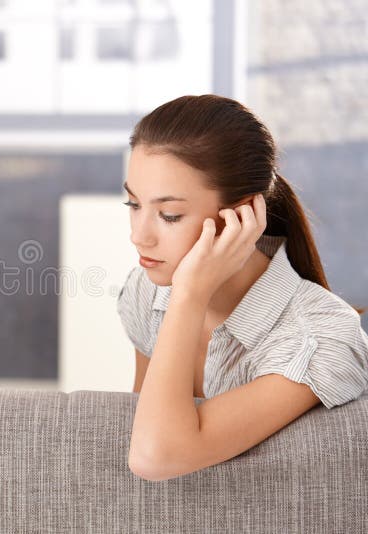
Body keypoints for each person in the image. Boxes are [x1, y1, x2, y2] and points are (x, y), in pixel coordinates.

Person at [117, 94, 368, 481]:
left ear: (243, 215)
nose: (139, 236)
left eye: (169, 215)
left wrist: (190, 295)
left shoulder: (319, 338)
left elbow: (155, 457)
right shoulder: (146, 292)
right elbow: (139, 430)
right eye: (133, 205)